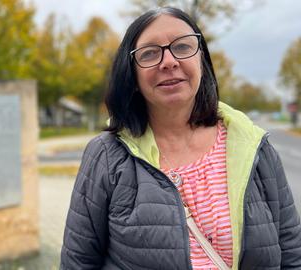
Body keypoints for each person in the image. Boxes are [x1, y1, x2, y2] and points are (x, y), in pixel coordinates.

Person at [60, 6, 301, 270]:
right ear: (132, 74)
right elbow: (78, 262)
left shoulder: (253, 146)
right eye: (149, 53)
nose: (169, 61)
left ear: (202, 60)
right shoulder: (106, 155)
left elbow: (291, 253)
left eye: (183, 47)